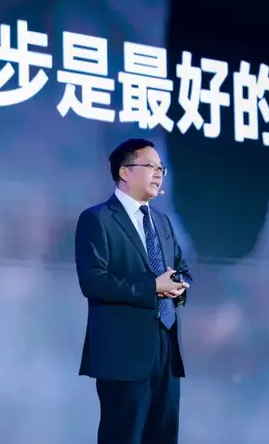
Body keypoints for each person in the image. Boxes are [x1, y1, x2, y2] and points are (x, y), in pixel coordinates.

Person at [74, 138, 192, 444]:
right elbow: (94, 282)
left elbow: (180, 269)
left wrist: (179, 288)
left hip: (166, 350)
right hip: (123, 355)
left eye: (161, 168)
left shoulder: (162, 222)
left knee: (163, 436)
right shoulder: (97, 219)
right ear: (124, 172)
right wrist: (153, 287)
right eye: (150, 166)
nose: (159, 173)